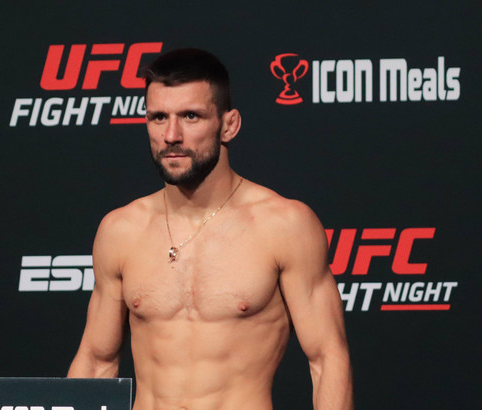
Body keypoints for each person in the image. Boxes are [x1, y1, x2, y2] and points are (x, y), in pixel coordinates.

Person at [68, 48, 353, 410]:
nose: (171, 134)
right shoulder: (121, 229)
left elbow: (327, 359)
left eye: (190, 116)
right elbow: (96, 361)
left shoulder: (284, 225)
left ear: (228, 125)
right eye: (158, 117)